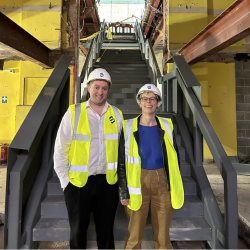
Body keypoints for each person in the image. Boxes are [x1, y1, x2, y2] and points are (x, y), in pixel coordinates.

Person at [54, 68, 123, 249]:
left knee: (106, 232)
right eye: (96, 87)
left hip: (108, 183)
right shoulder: (73, 113)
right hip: (77, 184)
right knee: (77, 231)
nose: (100, 92)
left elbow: (122, 151)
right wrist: (65, 182)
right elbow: (60, 149)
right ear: (89, 88)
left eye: (104, 88)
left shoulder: (116, 114)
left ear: (109, 90)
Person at [117, 84, 184, 249]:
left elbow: (174, 157)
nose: (148, 102)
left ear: (158, 102)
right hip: (136, 181)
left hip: (162, 180)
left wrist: (171, 182)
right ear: (139, 101)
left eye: (152, 98)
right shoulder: (127, 126)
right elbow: (121, 162)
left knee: (163, 235)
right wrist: (123, 191)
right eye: (144, 98)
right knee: (134, 233)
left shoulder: (167, 125)